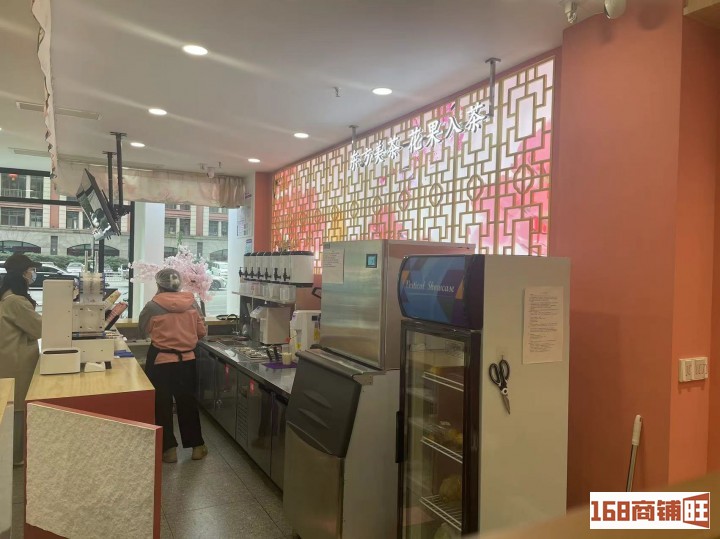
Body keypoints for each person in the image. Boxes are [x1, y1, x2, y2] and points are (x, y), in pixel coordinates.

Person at [138, 268, 208, 463]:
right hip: (187, 360)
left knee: (162, 404)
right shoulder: (192, 303)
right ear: (179, 284)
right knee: (188, 403)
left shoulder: (152, 306)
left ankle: (168, 451)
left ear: (159, 284)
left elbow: (142, 330)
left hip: (160, 360)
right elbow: (201, 332)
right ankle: (197, 447)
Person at [0, 253, 43, 466]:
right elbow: (39, 328)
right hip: (17, 361)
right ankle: (15, 457)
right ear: (23, 273)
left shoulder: (7, 296)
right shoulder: (16, 301)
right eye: (31, 270)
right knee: (17, 407)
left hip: (10, 358)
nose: (33, 274)